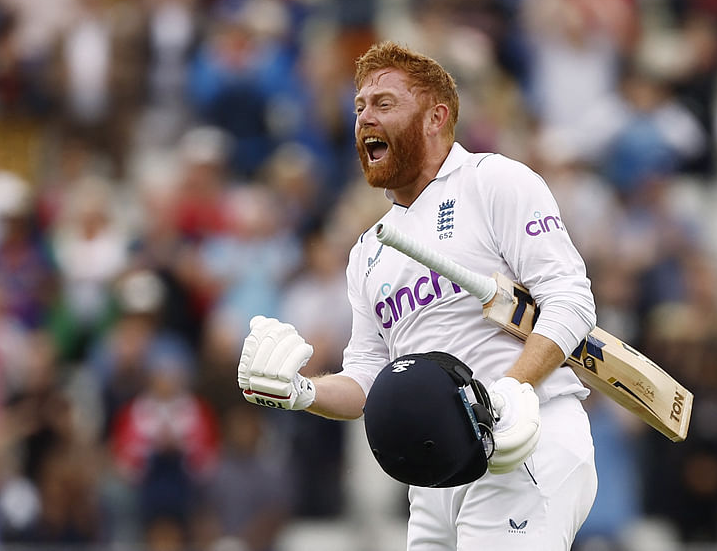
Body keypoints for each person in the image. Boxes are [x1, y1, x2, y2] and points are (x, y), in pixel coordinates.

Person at [237, 41, 598, 550]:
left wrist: (510, 391)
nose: (365, 118)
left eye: (384, 104)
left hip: (523, 442)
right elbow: (366, 378)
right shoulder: (368, 250)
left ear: (436, 116)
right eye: (359, 106)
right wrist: (302, 392)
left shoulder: (493, 181)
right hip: (436, 474)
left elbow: (572, 300)